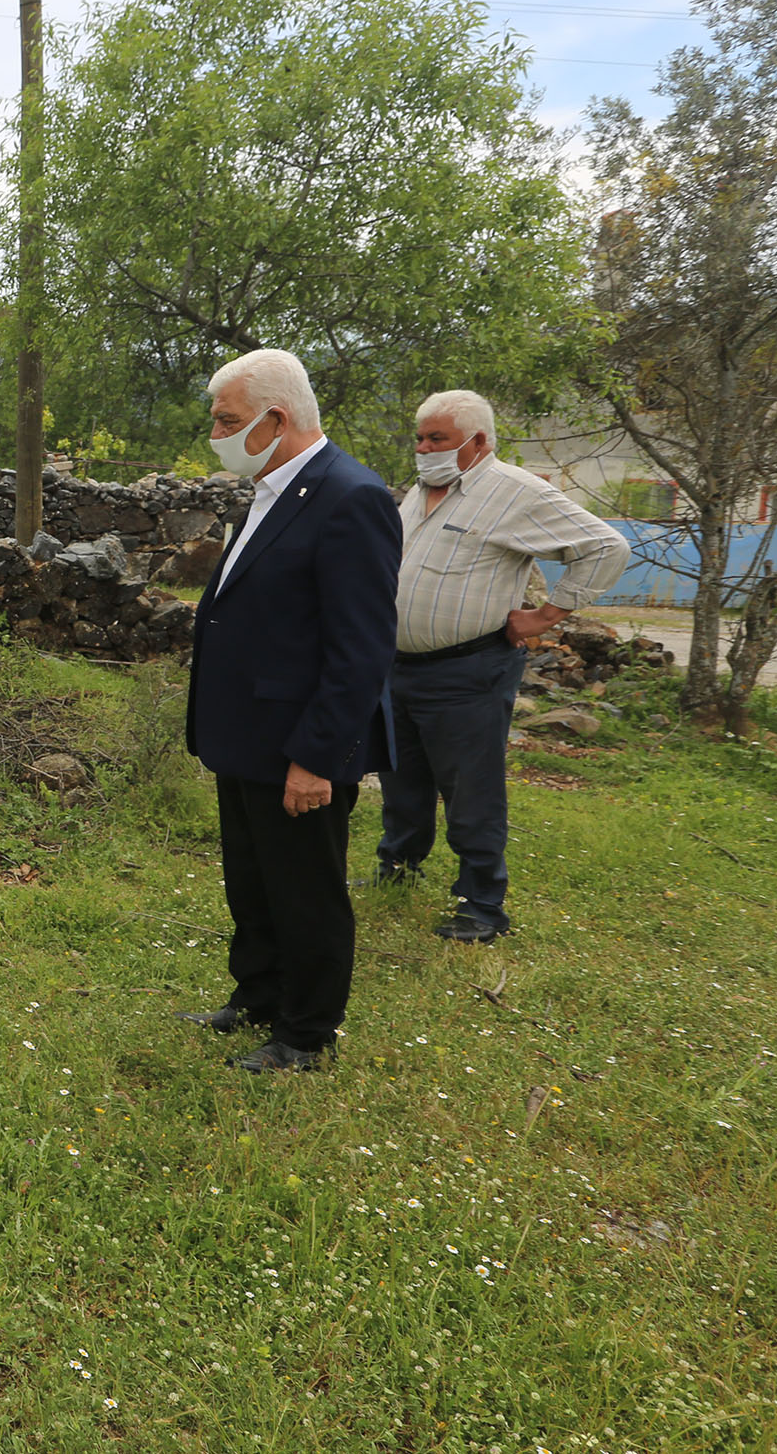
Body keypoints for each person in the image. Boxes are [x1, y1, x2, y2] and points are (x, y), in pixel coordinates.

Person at [181, 349, 399, 1073]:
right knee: (253, 879)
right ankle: (259, 994)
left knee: (306, 888)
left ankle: (306, 1031)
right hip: (246, 733)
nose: (216, 432)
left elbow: (359, 648)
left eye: (228, 420)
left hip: (296, 742)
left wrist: (317, 756)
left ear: (277, 419)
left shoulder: (349, 497)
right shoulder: (276, 491)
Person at [381, 390, 630, 943]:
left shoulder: (515, 492)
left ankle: (482, 905)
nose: (423, 448)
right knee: (402, 778)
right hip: (398, 666)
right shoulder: (418, 494)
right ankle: (397, 869)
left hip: (467, 670)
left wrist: (546, 614)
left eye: (437, 439)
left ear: (478, 442)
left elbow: (606, 546)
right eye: (419, 438)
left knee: (471, 789)